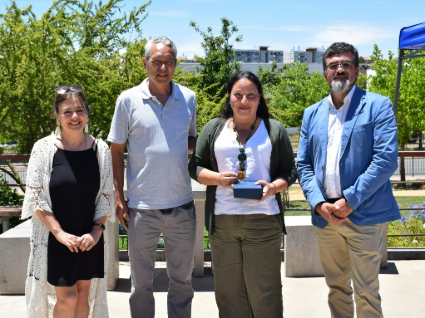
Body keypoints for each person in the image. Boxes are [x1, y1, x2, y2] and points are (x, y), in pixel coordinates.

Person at [297, 42, 401, 318]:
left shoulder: (377, 106)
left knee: (367, 292)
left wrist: (350, 200)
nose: (339, 69)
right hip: (326, 216)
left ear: (356, 71)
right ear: (325, 73)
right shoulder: (312, 113)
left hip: (363, 214)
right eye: (333, 65)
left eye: (345, 64)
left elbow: (386, 159)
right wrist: (319, 204)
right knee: (336, 289)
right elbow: (303, 165)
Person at [188, 71, 297, 318]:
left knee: (265, 292)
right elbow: (194, 166)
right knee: (228, 294)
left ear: (260, 99)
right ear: (230, 98)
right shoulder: (214, 128)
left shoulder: (274, 129)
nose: (244, 101)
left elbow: (289, 172)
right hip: (223, 223)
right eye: (238, 95)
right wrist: (217, 179)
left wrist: (272, 187)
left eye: (251, 95)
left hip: (263, 221)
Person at [108, 36, 197, 318]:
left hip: (182, 205)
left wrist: (172, 151)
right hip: (141, 209)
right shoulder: (127, 100)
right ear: (145, 63)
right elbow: (116, 149)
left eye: (169, 62)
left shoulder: (188, 98)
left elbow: (191, 137)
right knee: (141, 285)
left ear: (175, 64)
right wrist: (118, 197)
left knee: (182, 283)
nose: (163, 67)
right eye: (157, 61)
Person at [22, 85, 115, 318]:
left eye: (80, 110)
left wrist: (96, 231)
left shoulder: (100, 149)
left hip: (88, 238)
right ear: (57, 116)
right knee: (67, 299)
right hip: (55, 238)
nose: (75, 116)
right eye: (67, 111)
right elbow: (35, 196)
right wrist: (59, 233)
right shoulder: (43, 149)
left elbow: (106, 194)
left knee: (83, 296)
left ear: (87, 113)